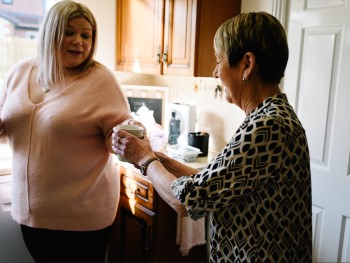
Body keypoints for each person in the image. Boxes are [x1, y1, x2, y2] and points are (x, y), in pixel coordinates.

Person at [112, 12, 312, 262]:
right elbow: (210, 182)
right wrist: (159, 159)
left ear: (247, 64)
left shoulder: (268, 125)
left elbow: (185, 200)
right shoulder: (269, 117)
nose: (215, 72)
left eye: (219, 60)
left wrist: (144, 158)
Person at [0, 1, 136, 262]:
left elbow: (119, 131)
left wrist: (128, 134)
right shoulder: (19, 73)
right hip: (31, 214)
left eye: (86, 35)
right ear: (51, 34)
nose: (79, 41)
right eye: (70, 33)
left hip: (82, 219)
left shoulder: (100, 80)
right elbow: (6, 124)